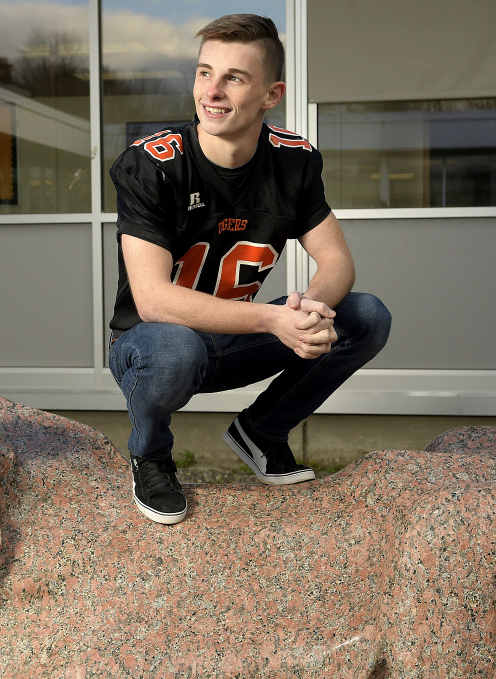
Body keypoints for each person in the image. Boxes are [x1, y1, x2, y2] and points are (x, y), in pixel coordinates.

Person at [107, 14, 391, 525]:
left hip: (234, 340)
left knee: (365, 314)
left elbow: (336, 259)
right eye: (203, 73)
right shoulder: (152, 163)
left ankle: (262, 430)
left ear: (271, 94)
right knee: (175, 346)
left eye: (233, 78)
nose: (211, 91)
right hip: (152, 347)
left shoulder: (293, 160)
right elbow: (152, 300)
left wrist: (309, 308)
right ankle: (150, 454)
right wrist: (273, 320)